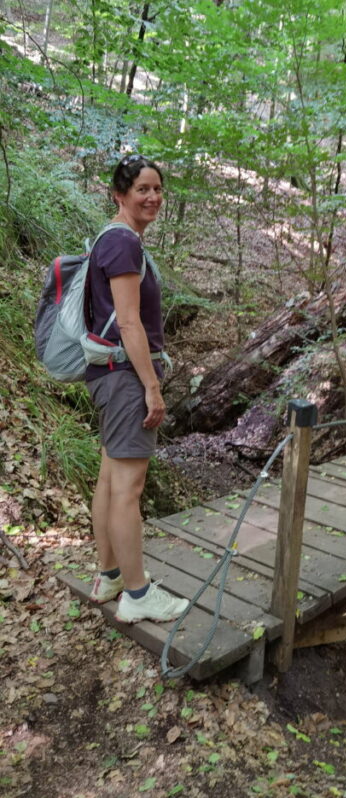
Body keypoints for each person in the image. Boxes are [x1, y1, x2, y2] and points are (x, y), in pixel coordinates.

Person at [86, 155, 188, 624]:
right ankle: (137, 593)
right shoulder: (124, 244)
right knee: (129, 487)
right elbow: (128, 322)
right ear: (119, 194)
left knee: (110, 479)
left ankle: (110, 575)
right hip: (127, 376)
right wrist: (152, 387)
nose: (152, 197)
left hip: (108, 374)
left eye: (157, 189)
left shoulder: (110, 239)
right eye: (142, 189)